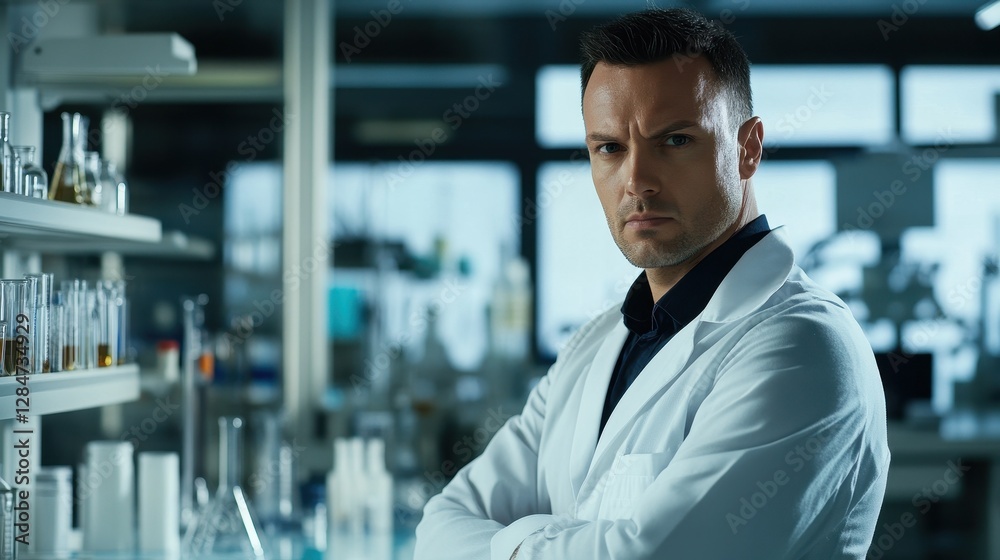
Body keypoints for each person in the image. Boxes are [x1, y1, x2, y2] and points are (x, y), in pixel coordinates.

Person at [414, 7, 889, 560]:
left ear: (748, 147)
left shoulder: (802, 347)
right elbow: (441, 524)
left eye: (675, 140)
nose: (636, 181)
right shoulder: (594, 347)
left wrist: (509, 542)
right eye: (610, 147)